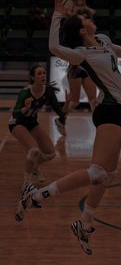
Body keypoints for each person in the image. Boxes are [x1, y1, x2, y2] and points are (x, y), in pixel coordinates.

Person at [15, 0, 121, 255]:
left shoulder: (103, 40)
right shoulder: (81, 54)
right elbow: (54, 48)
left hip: (117, 110)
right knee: (97, 172)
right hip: (109, 111)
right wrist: (57, 15)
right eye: (85, 18)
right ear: (82, 29)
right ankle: (35, 195)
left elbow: (119, 50)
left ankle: (84, 223)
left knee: (107, 176)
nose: (90, 19)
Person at [9, 65, 69, 200]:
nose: (43, 75)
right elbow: (16, 113)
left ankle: (35, 166)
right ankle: (26, 184)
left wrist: (67, 106)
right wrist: (26, 108)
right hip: (17, 123)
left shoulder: (47, 91)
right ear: (32, 77)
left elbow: (60, 113)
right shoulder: (25, 92)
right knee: (34, 150)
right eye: (39, 73)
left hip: (31, 123)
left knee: (51, 153)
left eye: (44, 73)